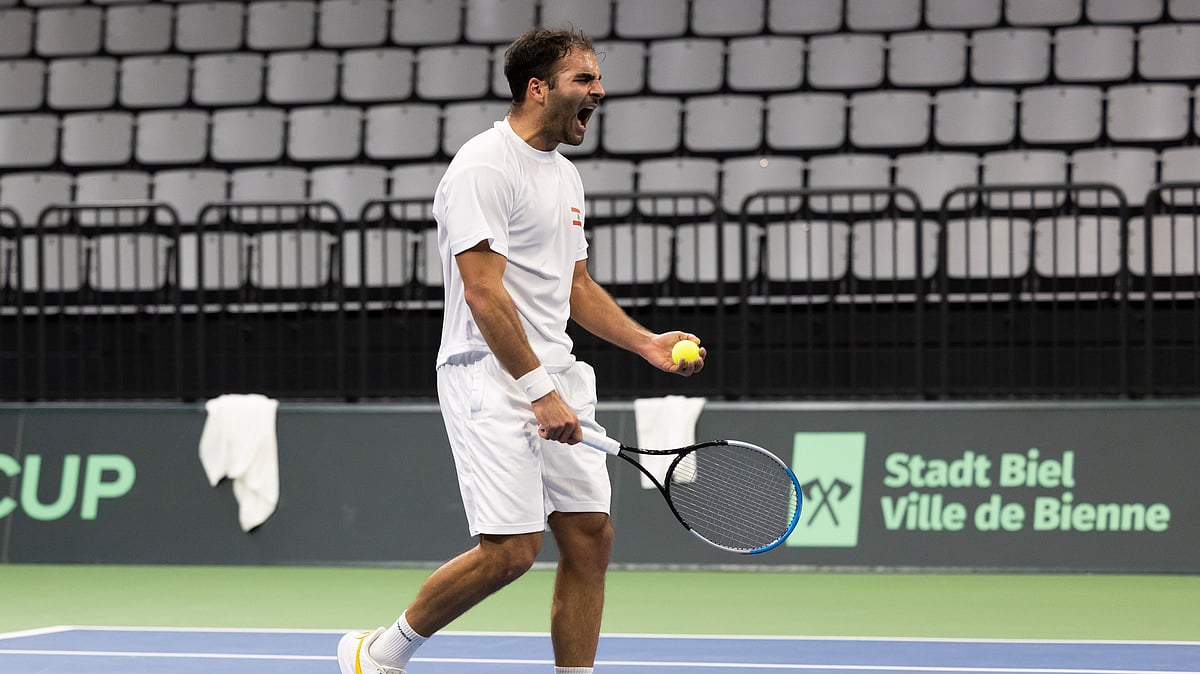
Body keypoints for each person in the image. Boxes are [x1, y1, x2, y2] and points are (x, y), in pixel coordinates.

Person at [337, 26, 706, 674]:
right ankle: (379, 653)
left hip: (556, 374)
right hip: (490, 376)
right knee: (510, 550)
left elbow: (575, 284)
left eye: (597, 78)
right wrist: (541, 393)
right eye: (584, 80)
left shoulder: (564, 177)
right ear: (538, 88)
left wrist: (646, 343)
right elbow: (483, 295)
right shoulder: (483, 167)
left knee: (590, 539)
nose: (600, 91)